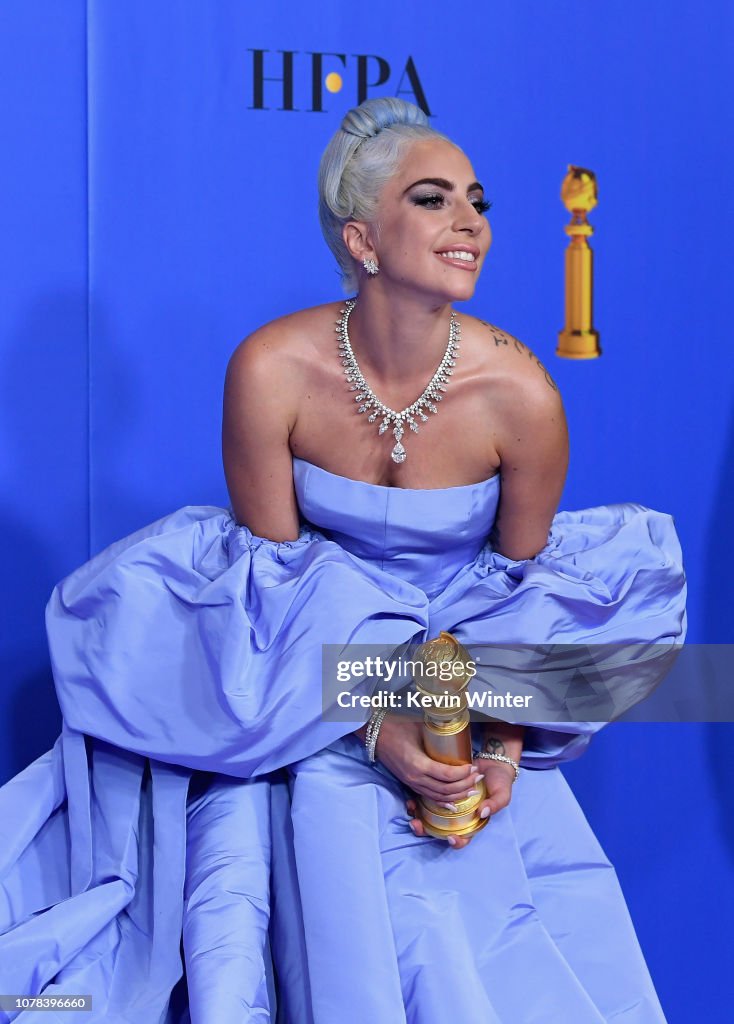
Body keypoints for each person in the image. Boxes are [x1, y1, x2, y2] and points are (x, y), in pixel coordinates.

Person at [0, 97, 685, 1024]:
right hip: (298, 700)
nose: (470, 223)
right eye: (434, 200)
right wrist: (372, 728)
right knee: (255, 921)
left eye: (477, 201)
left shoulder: (523, 396)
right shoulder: (270, 370)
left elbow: (530, 611)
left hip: (461, 705)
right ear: (361, 240)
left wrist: (498, 747)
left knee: (473, 950)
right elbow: (268, 603)